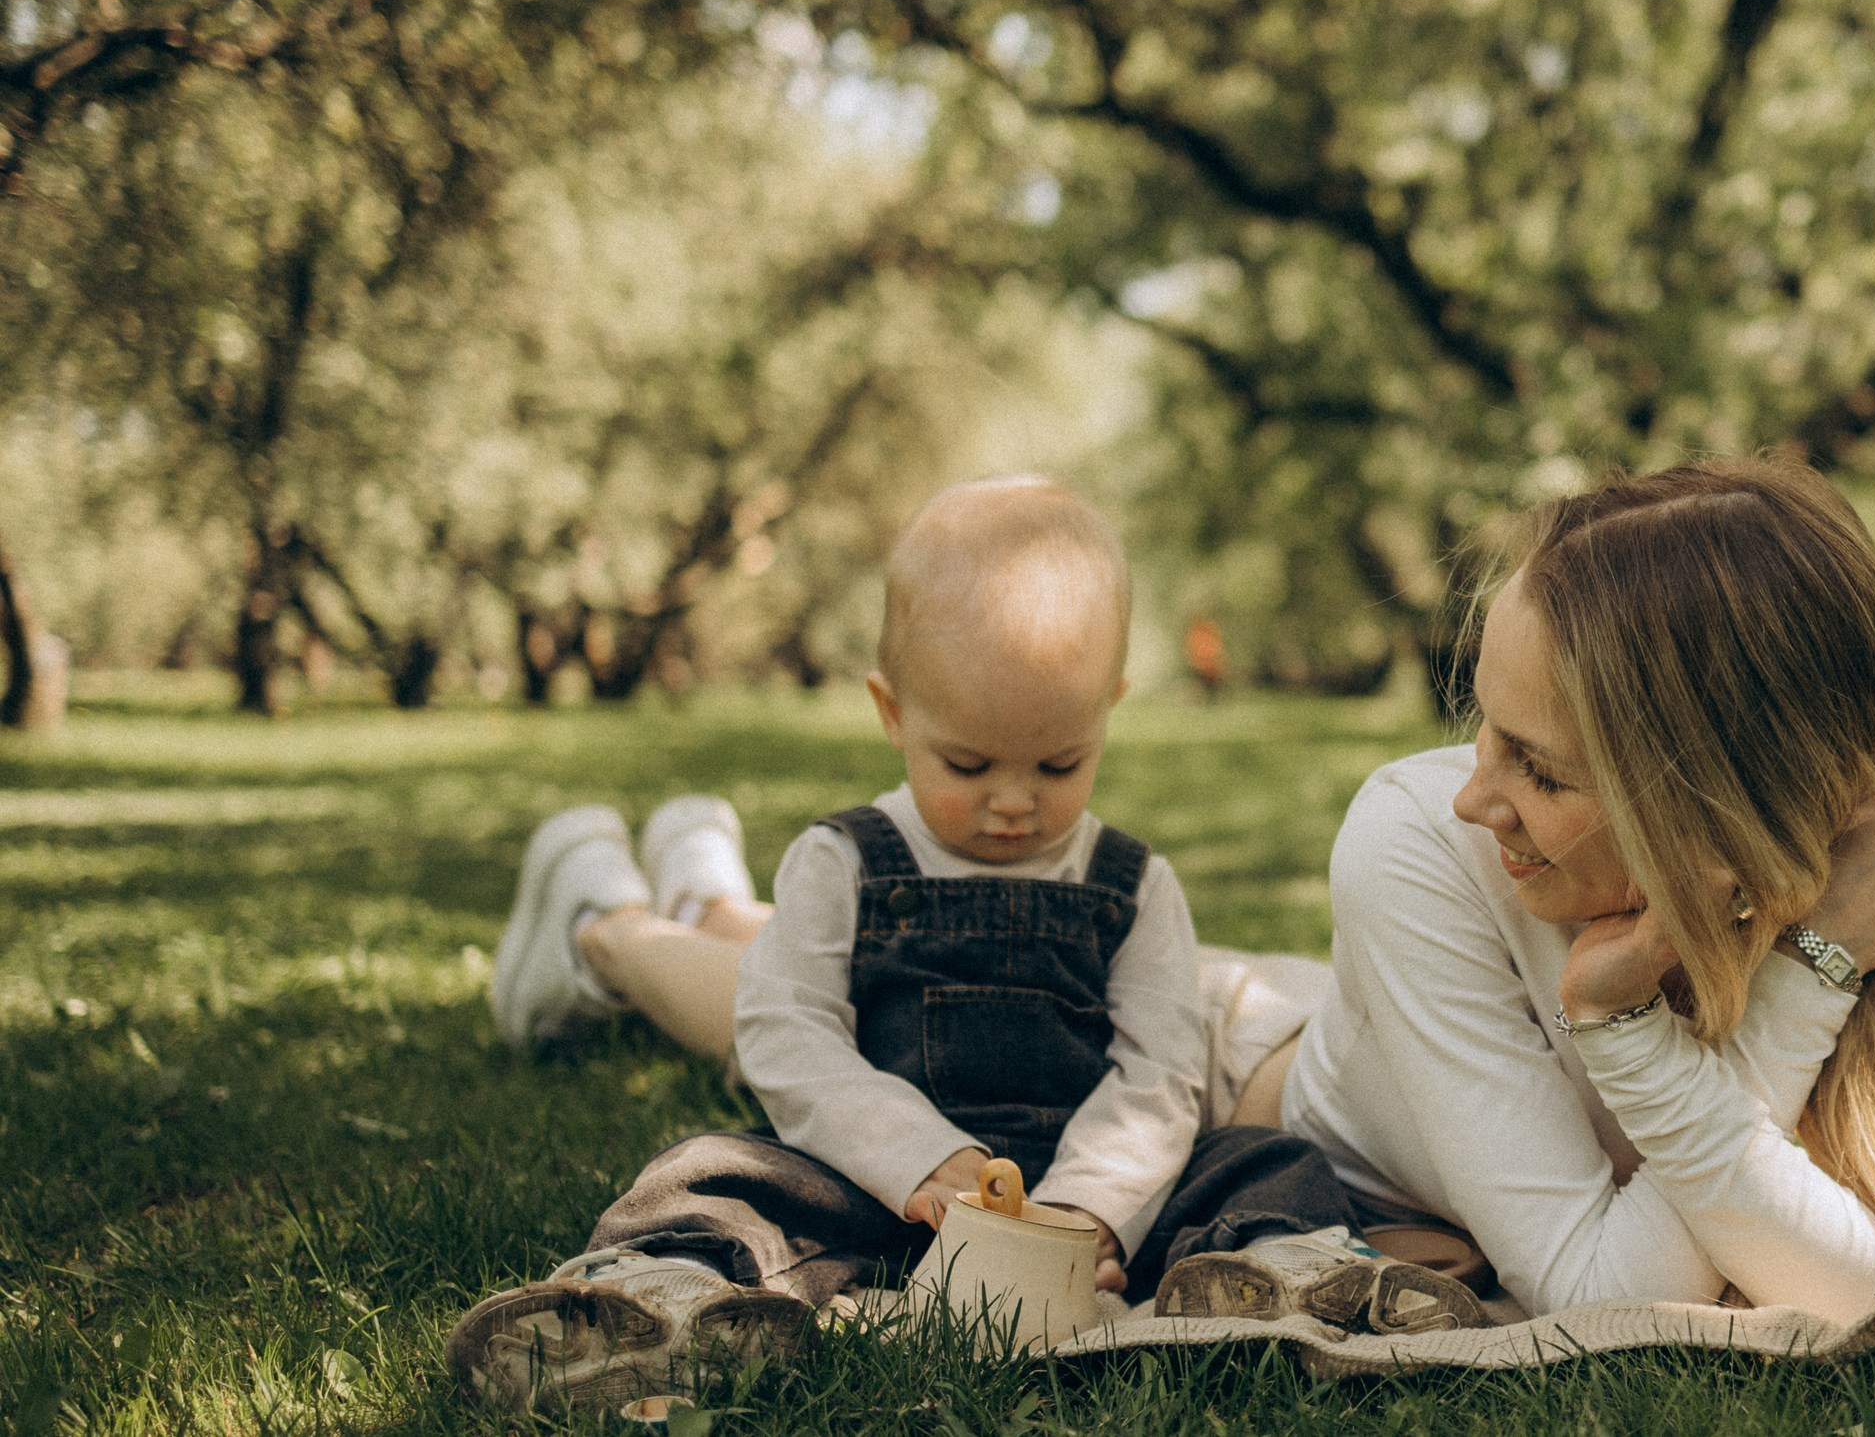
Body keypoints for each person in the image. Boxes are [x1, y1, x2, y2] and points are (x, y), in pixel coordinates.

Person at [449, 478, 1482, 1412]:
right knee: (710, 1168)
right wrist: (914, 1156)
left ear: (1106, 716)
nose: (1013, 801)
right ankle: (658, 1301)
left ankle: (1290, 1277)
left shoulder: (1131, 886)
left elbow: (1161, 1069)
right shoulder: (842, 861)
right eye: (969, 762)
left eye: (1059, 762)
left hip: (1084, 1210)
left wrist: (1093, 1209)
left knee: (1262, 1158)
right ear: (892, 713)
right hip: (877, 1186)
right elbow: (784, 1031)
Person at [1282, 457, 1875, 1323]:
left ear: (1719, 811)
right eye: (1485, 724)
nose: (1475, 798)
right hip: (1312, 1110)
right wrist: (1816, 967)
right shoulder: (1414, 841)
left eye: (1544, 773)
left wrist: (1803, 962)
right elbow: (1601, 1299)